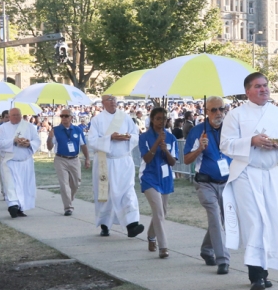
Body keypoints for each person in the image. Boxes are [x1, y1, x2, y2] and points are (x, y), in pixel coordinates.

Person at [220, 72, 278, 290]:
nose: (264, 89)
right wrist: (251, 142)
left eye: (265, 85)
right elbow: (226, 144)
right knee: (254, 220)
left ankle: (264, 270)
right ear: (248, 91)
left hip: (271, 173)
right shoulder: (235, 115)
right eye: (258, 86)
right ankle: (255, 274)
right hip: (247, 172)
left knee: (273, 221)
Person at [183, 96, 232, 274]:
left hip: (226, 182)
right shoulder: (198, 132)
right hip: (205, 183)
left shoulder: (230, 130)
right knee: (215, 216)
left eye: (221, 108)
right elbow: (186, 159)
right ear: (206, 112)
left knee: (221, 221)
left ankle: (206, 249)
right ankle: (223, 260)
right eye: (214, 110)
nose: (218, 113)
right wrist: (199, 149)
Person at [88, 95, 144, 238]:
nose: (113, 102)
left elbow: (135, 134)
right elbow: (92, 141)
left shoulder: (124, 117)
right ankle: (105, 225)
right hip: (105, 162)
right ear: (103, 103)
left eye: (114, 99)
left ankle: (132, 225)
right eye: (109, 100)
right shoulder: (97, 120)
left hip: (123, 161)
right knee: (105, 194)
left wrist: (128, 137)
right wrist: (110, 138)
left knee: (128, 192)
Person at [139, 107, 179, 259]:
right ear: (152, 119)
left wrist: (166, 150)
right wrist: (156, 143)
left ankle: (151, 235)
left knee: (161, 212)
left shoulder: (172, 138)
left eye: (163, 119)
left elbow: (173, 162)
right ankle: (163, 247)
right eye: (158, 118)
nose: (160, 122)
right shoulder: (144, 137)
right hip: (149, 177)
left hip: (165, 178)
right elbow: (147, 158)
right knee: (159, 211)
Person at [0, 108, 40, 218]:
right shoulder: (2, 128)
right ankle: (12, 205)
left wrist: (28, 144)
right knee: (11, 185)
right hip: (10, 162)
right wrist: (13, 141)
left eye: (18, 115)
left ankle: (21, 207)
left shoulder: (28, 126)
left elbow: (37, 141)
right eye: (13, 115)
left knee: (23, 186)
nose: (16, 117)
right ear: (9, 116)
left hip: (25, 162)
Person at [47, 109, 90, 216]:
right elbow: (49, 147)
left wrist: (87, 158)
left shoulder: (77, 129)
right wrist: (50, 137)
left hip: (74, 159)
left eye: (66, 116)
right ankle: (68, 207)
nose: (64, 118)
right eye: (62, 116)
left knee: (76, 183)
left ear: (71, 117)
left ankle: (68, 199)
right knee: (64, 184)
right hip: (61, 159)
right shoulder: (55, 130)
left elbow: (83, 145)